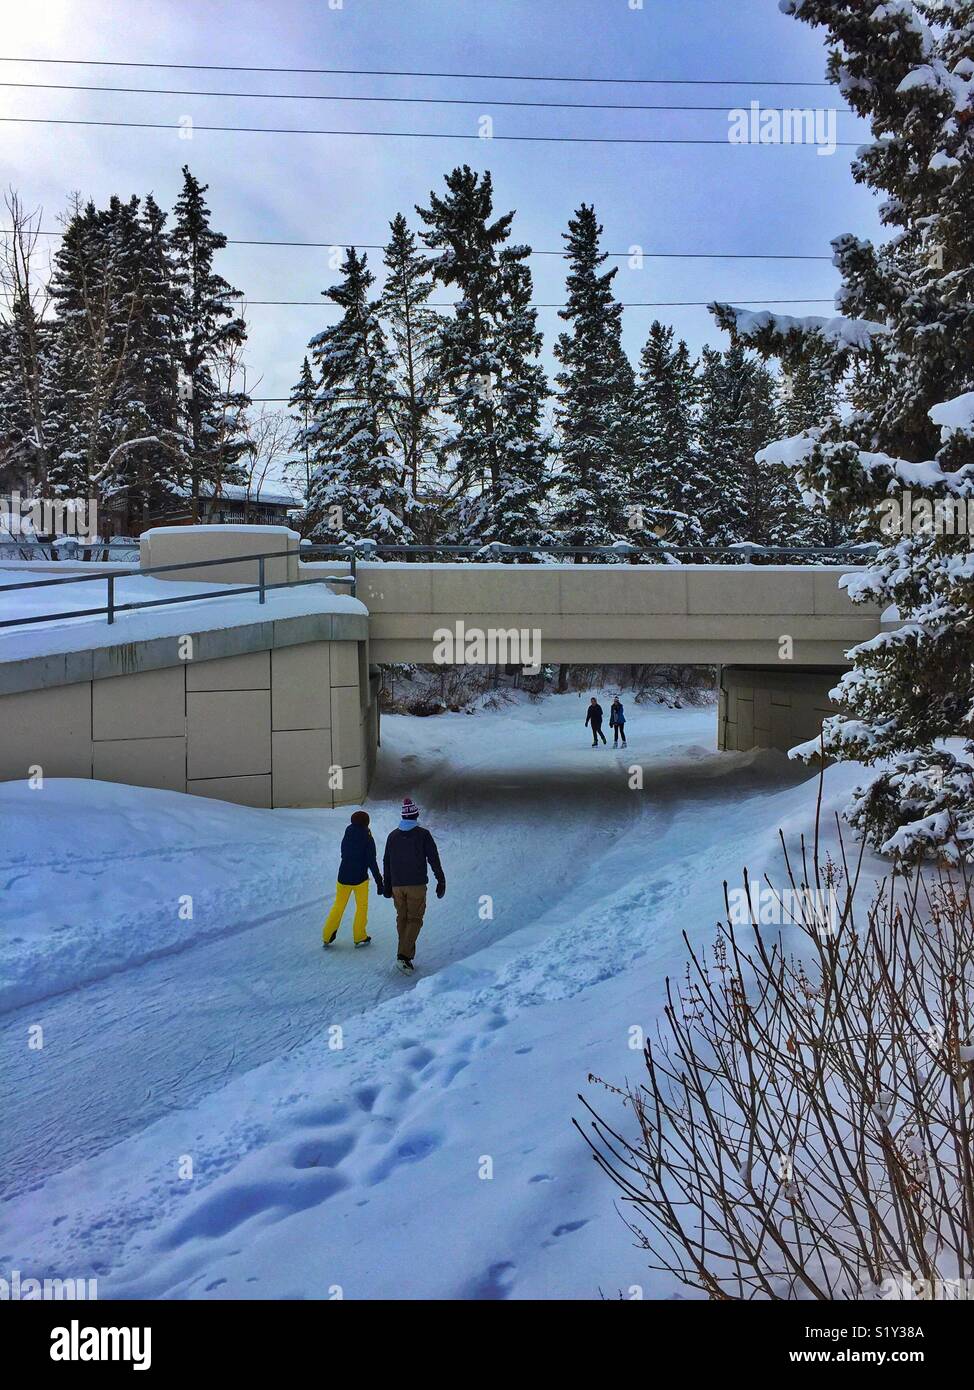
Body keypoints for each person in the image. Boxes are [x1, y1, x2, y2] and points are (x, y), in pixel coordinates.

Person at [382, 796, 446, 973]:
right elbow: (433, 859)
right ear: (416, 816)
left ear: (403, 817)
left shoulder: (392, 836)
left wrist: (387, 886)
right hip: (416, 885)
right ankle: (403, 957)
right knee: (415, 919)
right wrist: (441, 880)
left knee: (402, 918)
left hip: (397, 886)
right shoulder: (423, 835)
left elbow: (386, 861)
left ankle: (403, 955)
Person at [322, 809, 383, 949]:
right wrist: (379, 881)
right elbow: (371, 861)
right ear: (366, 823)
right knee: (361, 907)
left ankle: (326, 935)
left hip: (342, 876)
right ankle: (359, 936)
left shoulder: (347, 833)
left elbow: (343, 853)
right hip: (360, 879)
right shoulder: (367, 837)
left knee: (338, 905)